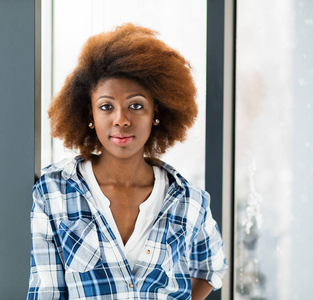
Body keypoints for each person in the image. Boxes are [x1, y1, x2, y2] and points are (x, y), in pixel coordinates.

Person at [27, 23, 227, 300]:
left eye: (136, 105)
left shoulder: (189, 200)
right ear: (90, 115)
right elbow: (46, 291)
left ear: (156, 112)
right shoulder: (54, 192)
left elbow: (211, 269)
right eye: (106, 107)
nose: (121, 119)